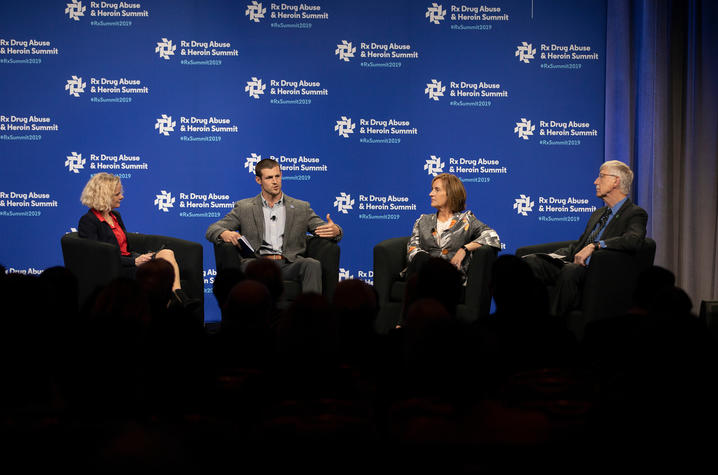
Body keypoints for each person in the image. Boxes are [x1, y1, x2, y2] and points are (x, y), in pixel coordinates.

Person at [523, 160, 648, 317]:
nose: (596, 181)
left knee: (571, 271)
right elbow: (580, 245)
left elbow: (633, 240)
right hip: (575, 265)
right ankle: (526, 320)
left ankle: (553, 326)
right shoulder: (599, 214)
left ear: (615, 181)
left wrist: (596, 245)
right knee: (530, 263)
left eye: (601, 176)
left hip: (598, 271)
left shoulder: (635, 213)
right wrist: (553, 256)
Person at [205, 158, 342, 294]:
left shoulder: (301, 207)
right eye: (269, 178)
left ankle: (311, 313)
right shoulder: (244, 208)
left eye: (277, 176)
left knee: (312, 264)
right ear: (259, 180)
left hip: (289, 264)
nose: (275, 182)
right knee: (246, 267)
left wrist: (336, 230)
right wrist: (225, 233)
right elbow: (212, 229)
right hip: (257, 264)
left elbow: (325, 228)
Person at [77, 173, 184, 296]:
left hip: (130, 260)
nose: (122, 196)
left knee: (167, 253)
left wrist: (141, 257)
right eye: (117, 194)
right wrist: (134, 262)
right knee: (160, 274)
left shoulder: (115, 216)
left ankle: (178, 296)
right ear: (104, 196)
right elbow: (98, 257)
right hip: (116, 269)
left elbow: (126, 248)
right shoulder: (88, 221)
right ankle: (178, 302)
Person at [405, 173, 500, 281]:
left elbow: (492, 236)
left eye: (437, 190)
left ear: (450, 193)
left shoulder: (466, 220)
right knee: (420, 258)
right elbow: (412, 250)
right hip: (423, 275)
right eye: (432, 189)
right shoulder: (422, 221)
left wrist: (464, 249)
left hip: (451, 278)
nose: (431, 194)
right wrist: (433, 265)